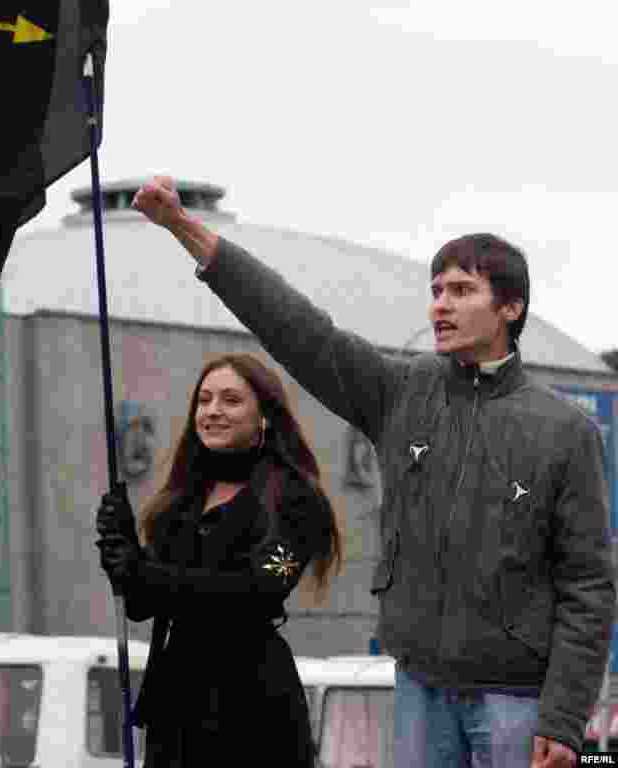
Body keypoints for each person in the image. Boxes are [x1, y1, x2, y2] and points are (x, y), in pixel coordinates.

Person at [127, 176, 615, 768]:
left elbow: (589, 585)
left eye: (462, 290)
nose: (440, 304)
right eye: (436, 290)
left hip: (515, 700)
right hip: (418, 691)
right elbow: (296, 328)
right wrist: (184, 229)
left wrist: (563, 720)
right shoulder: (401, 392)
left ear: (510, 308)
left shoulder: (566, 431)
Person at [96, 353, 343, 767]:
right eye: (204, 399)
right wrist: (121, 547)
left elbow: (259, 590)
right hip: (177, 704)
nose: (213, 411)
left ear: (264, 414)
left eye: (230, 400)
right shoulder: (181, 498)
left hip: (252, 704)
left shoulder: (295, 498)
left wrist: (147, 571)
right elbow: (142, 603)